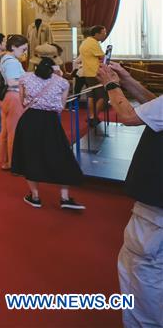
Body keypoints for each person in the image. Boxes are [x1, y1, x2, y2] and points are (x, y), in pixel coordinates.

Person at [97, 62, 163, 328]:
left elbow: (129, 116)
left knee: (141, 269)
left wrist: (110, 85)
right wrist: (127, 79)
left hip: (156, 207)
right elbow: (155, 106)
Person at [11, 57, 85, 210]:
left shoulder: (25, 78)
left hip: (30, 119)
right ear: (54, 67)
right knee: (60, 154)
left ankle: (35, 196)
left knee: (30, 156)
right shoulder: (62, 82)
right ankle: (64, 197)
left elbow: (23, 102)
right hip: (51, 121)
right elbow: (60, 107)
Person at [0, 34, 28, 170]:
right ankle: (13, 162)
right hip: (14, 97)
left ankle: (5, 160)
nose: (25, 53)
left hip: (8, 97)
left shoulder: (6, 59)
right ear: (14, 47)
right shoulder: (12, 62)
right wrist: (27, 78)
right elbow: (11, 81)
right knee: (13, 132)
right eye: (23, 49)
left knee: (6, 131)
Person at [78, 25, 108, 129]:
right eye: (103, 33)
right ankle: (94, 116)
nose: (105, 35)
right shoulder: (93, 43)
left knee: (91, 95)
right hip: (96, 73)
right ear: (96, 34)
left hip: (88, 72)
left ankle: (91, 116)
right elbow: (103, 57)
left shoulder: (85, 42)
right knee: (103, 96)